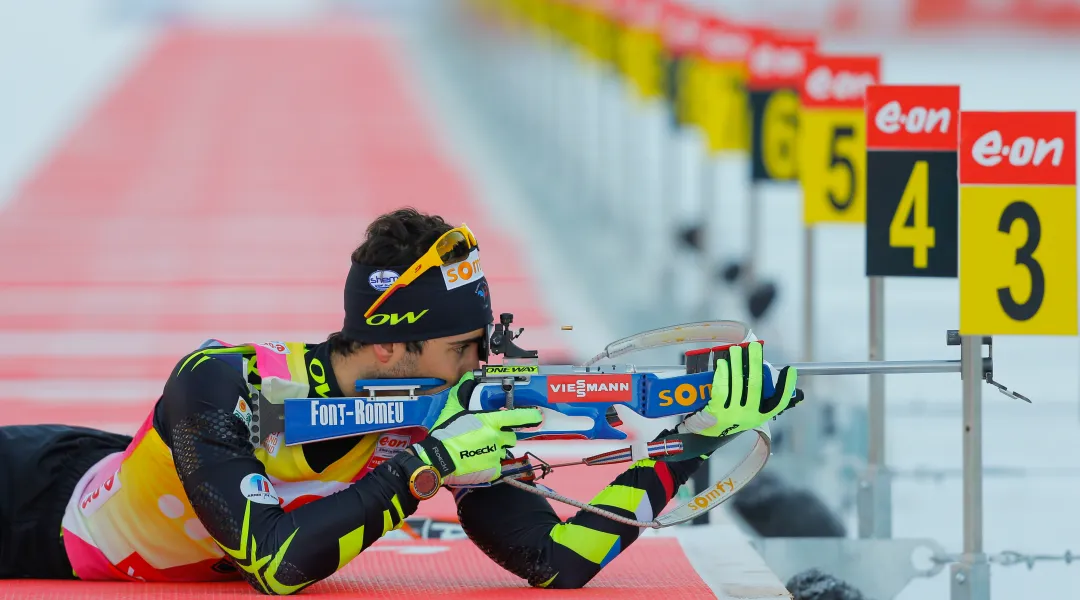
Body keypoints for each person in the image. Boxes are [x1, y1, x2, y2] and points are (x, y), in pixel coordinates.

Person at [0, 208, 800, 593]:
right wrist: (428, 467)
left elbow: (559, 563)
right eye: (461, 350)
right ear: (387, 346)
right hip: (27, 502)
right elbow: (279, 565)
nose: (479, 367)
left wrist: (686, 445)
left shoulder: (437, 414)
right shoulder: (217, 381)